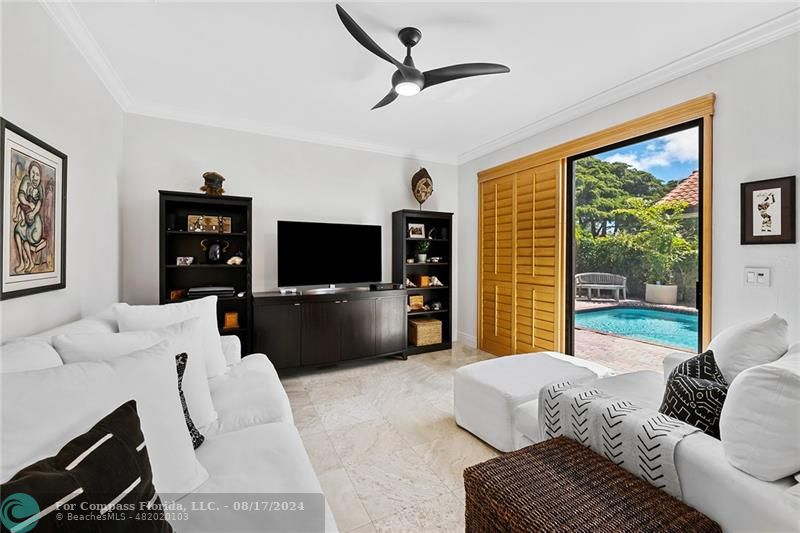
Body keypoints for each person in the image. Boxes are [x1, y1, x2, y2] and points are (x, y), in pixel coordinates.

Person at [13, 160, 45, 273]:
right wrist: (28, 204)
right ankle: (23, 262)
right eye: (33, 173)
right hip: (26, 220)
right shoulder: (26, 180)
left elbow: (39, 203)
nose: (35, 177)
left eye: (37, 174)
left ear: (40, 176)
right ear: (29, 173)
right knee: (17, 231)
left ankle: (30, 262)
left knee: (26, 237)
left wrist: (33, 212)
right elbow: (21, 196)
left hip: (35, 224)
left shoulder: (40, 187)